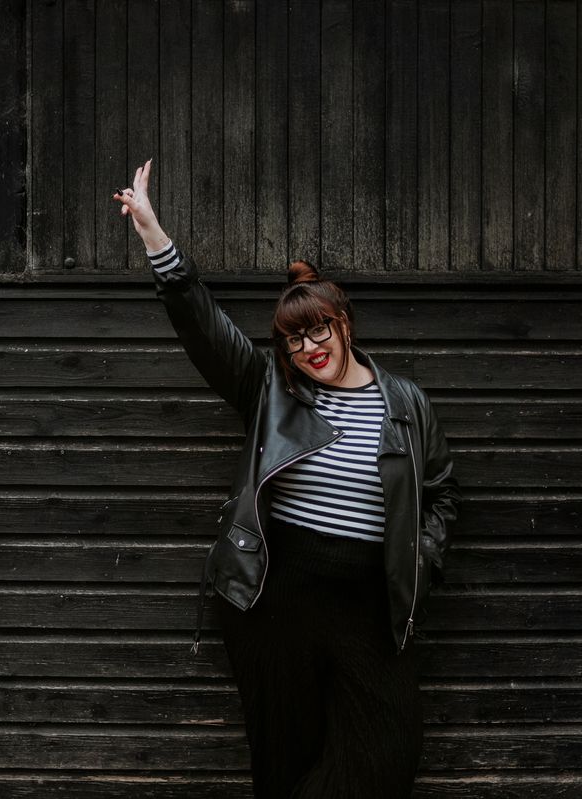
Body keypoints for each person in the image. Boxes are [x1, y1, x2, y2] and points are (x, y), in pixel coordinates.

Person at [114, 160, 461, 799]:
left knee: (386, 752)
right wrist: (154, 235)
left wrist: (423, 558)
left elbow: (439, 492)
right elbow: (203, 330)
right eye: (293, 338)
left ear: (344, 323)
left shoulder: (405, 404)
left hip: (365, 600)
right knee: (284, 762)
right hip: (277, 592)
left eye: (318, 329)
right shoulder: (271, 389)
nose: (309, 348)